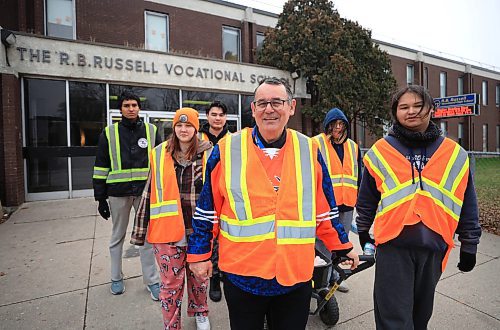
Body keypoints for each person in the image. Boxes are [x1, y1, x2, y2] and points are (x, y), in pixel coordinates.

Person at [187, 77, 359, 330]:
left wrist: (342, 246)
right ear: (253, 109)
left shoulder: (309, 150)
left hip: (295, 276)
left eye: (277, 102)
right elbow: (207, 210)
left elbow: (325, 211)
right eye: (263, 103)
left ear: (291, 107)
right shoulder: (226, 149)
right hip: (243, 277)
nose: (269, 109)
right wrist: (200, 254)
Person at [356, 85, 481, 329]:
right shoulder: (380, 152)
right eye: (404, 107)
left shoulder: (455, 154)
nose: (411, 111)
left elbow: (468, 203)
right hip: (393, 248)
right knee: (394, 321)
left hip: (434, 248)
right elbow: (367, 198)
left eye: (418, 105)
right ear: (395, 113)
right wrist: (363, 230)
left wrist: (470, 244)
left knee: (420, 318)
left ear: (431, 109)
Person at [131, 107, 212, 330]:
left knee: (199, 280)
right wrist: (139, 232)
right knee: (170, 285)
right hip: (167, 234)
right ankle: (171, 325)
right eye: (179, 125)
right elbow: (148, 192)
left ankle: (200, 313)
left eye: (189, 125)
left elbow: (219, 193)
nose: (184, 129)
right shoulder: (159, 153)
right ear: (174, 127)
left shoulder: (210, 153)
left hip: (198, 232)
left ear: (196, 129)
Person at [92, 90, 161, 299]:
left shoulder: (151, 130)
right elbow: (101, 166)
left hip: (144, 193)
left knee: (147, 239)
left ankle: (152, 281)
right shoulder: (109, 132)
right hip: (118, 193)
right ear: (120, 109)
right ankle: (116, 278)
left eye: (134, 105)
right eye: (126, 105)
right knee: (117, 237)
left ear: (139, 108)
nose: (131, 109)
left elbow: (159, 164)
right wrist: (100, 198)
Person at [313, 107, 362, 293]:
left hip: (347, 203)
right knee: (323, 244)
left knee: (341, 243)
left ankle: (335, 277)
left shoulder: (353, 147)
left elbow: (359, 175)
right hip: (325, 204)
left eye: (341, 124)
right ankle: (321, 281)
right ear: (328, 125)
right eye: (334, 124)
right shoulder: (316, 143)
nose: (338, 128)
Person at [198, 100, 231, 302]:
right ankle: (214, 278)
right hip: (203, 196)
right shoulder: (197, 138)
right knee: (208, 238)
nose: (217, 118)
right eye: (214, 114)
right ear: (207, 116)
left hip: (226, 196)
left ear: (225, 118)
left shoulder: (233, 140)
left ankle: (226, 272)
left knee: (226, 238)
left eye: (221, 115)